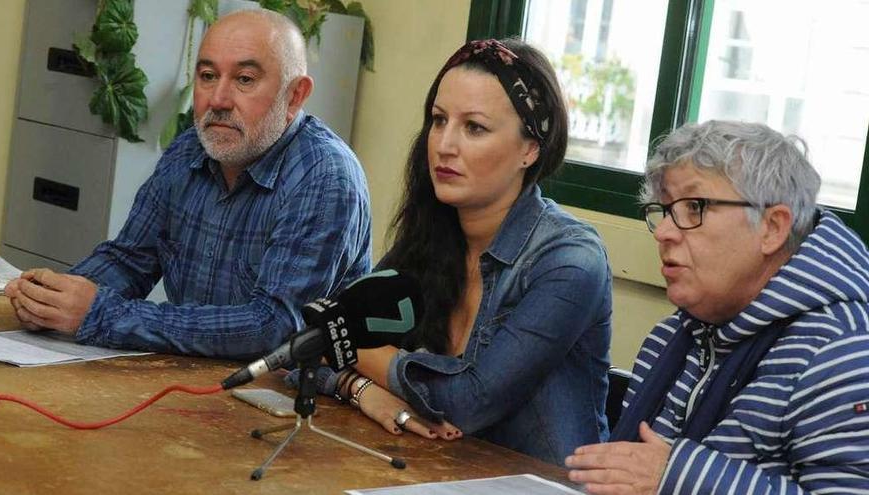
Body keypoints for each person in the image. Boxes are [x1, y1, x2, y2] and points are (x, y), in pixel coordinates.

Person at [302, 39, 612, 466]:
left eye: (474, 128)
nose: (444, 145)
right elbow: (299, 347)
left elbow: (467, 402)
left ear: (530, 148)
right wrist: (361, 389)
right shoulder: (432, 235)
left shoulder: (571, 261)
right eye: (438, 120)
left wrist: (342, 341)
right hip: (434, 473)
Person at [3, 10, 371, 360]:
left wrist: (101, 314)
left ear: (294, 96)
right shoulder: (190, 147)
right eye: (208, 76)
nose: (218, 100)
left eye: (244, 79)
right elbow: (130, 259)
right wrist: (52, 298)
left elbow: (273, 327)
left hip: (284, 402)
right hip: (188, 380)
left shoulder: (325, 176)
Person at [566, 121, 869, 493]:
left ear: (772, 227)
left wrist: (681, 479)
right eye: (664, 210)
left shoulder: (843, 354)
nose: (664, 232)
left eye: (694, 207)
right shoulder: (669, 337)